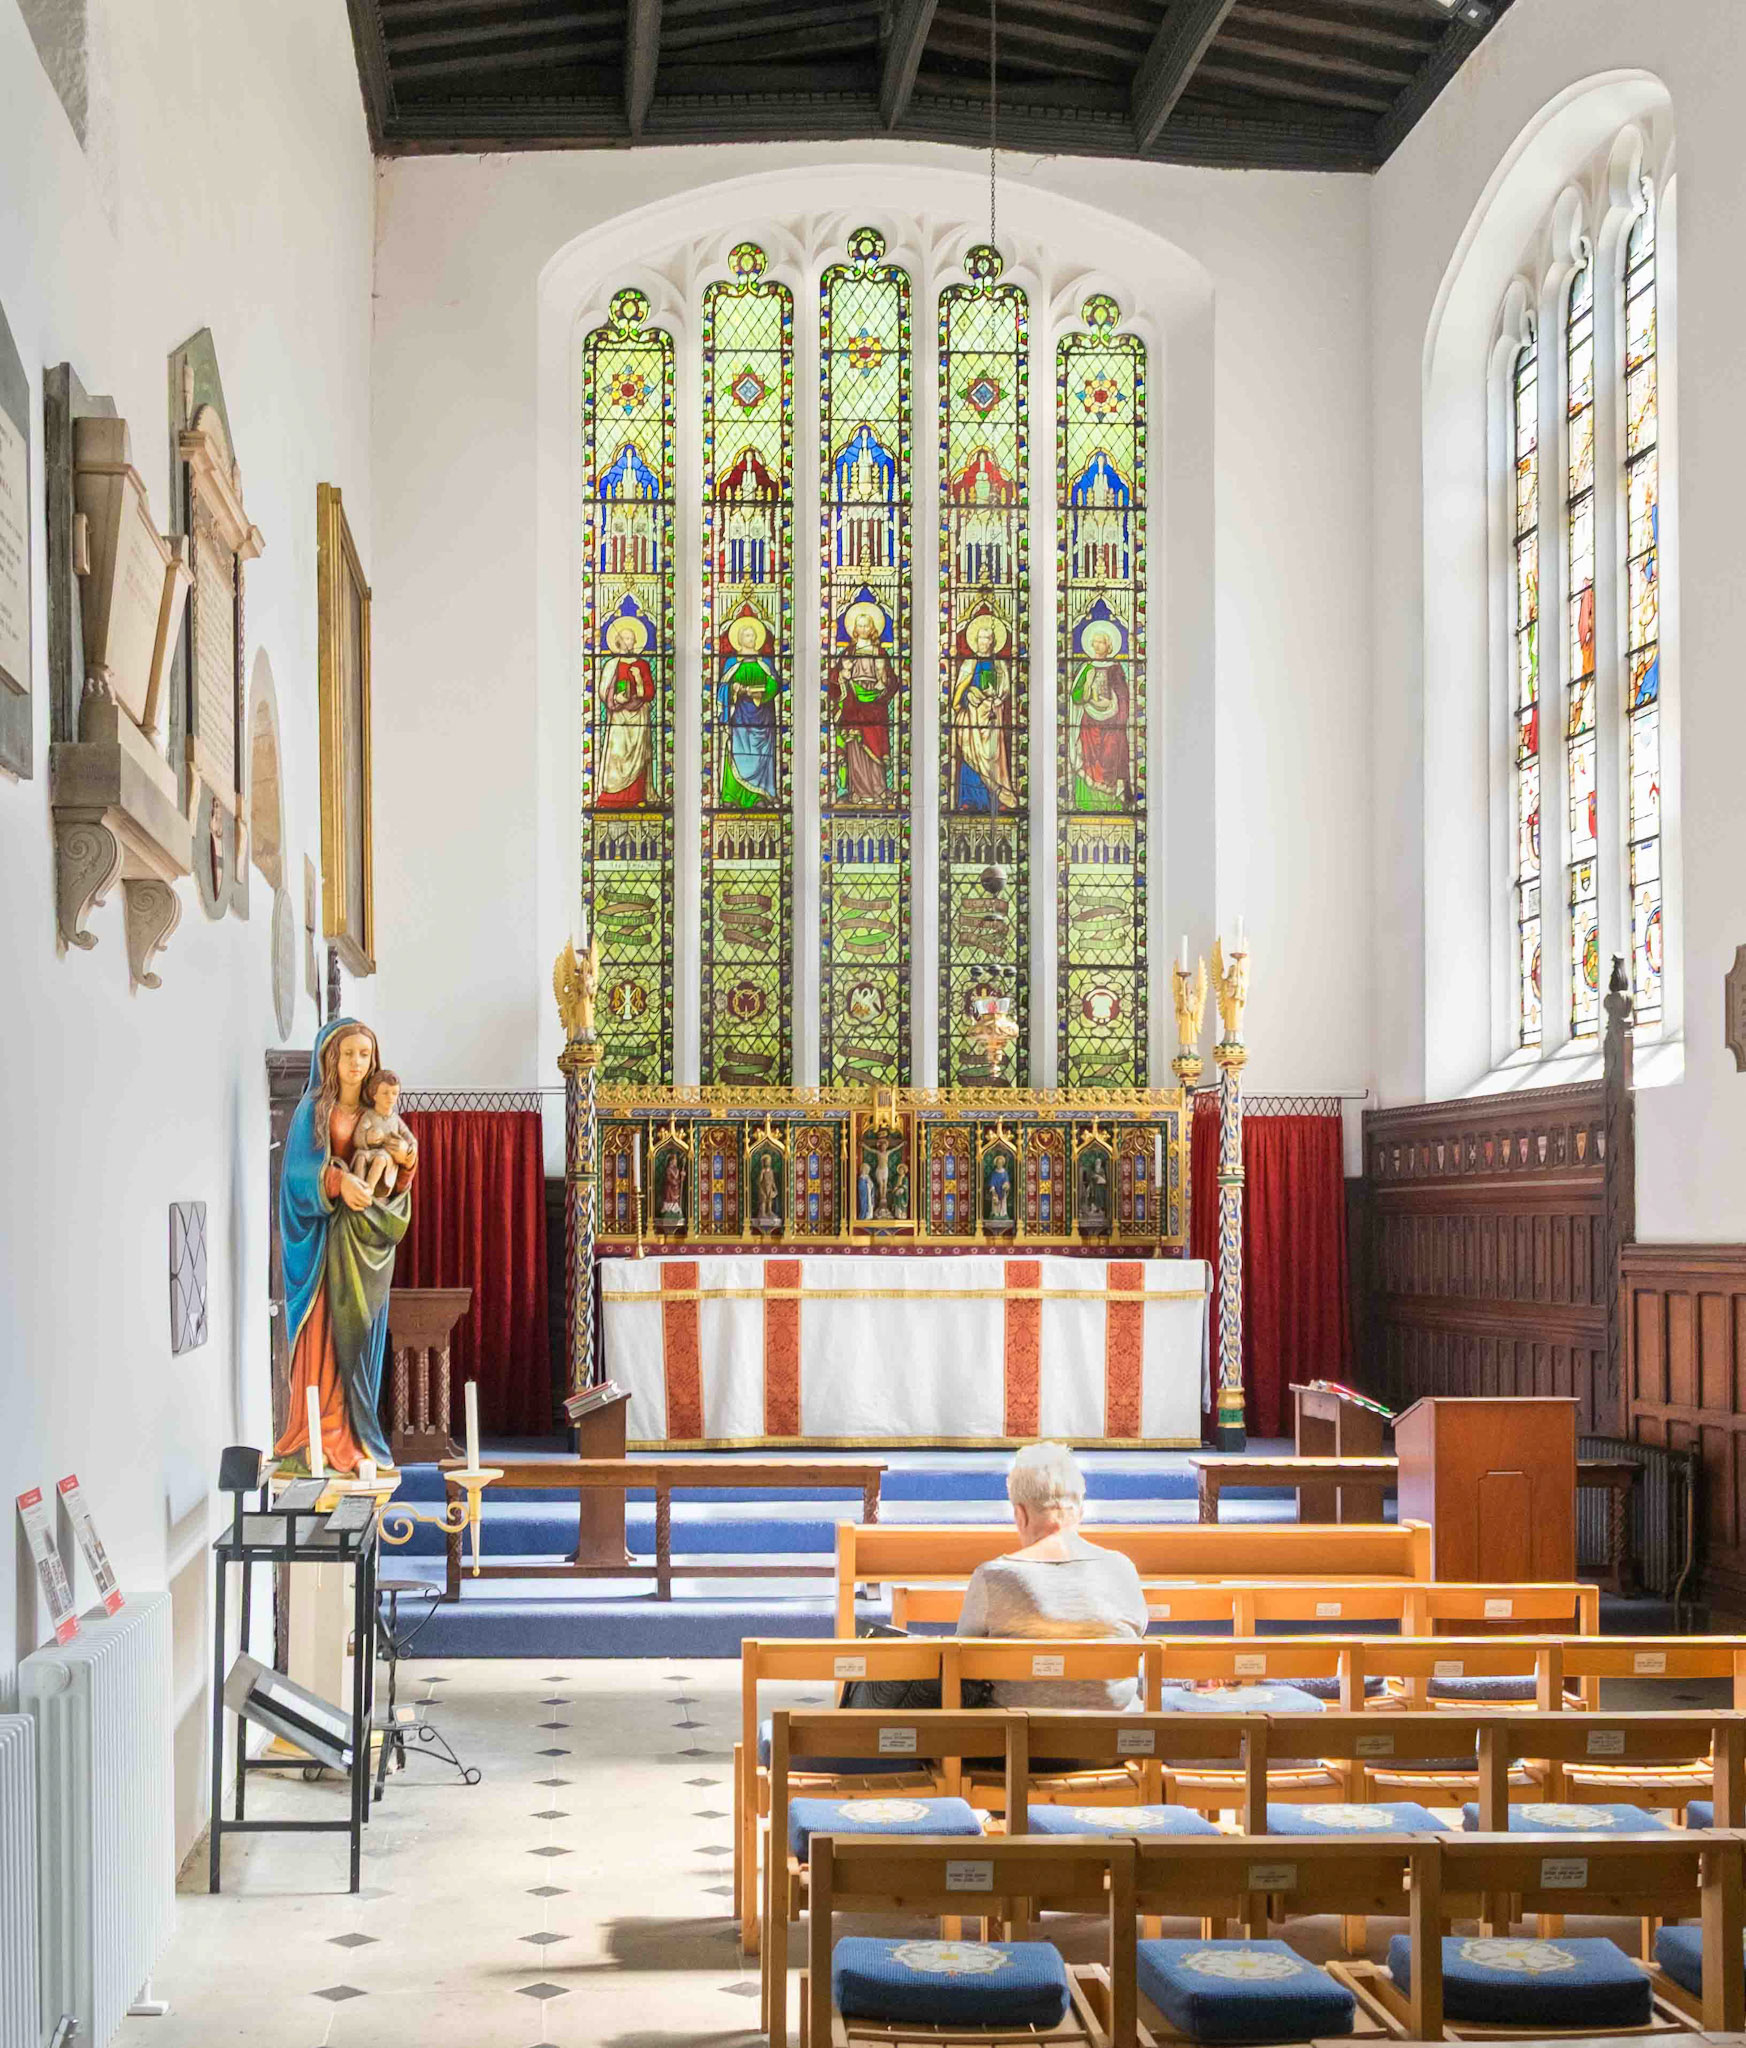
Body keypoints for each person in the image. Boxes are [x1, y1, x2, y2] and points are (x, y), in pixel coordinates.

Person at [273, 1018, 415, 1475]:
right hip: (324, 1250)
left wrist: (406, 1165)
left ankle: (353, 1437)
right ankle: (315, 1435)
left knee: (357, 1340)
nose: (357, 1063)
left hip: (365, 1249)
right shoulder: (313, 1110)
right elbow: (295, 1177)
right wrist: (337, 1181)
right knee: (324, 1340)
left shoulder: (383, 1112)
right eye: (349, 1054)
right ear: (331, 1059)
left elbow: (398, 1186)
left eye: (365, 1055)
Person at [955, 1442, 1146, 1708]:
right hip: (1114, 1730)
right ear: (1080, 1511)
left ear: (1020, 1515)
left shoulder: (994, 1577)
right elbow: (1137, 1639)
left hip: (1017, 1731)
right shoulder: (1121, 1569)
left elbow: (962, 1661)